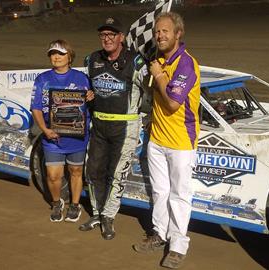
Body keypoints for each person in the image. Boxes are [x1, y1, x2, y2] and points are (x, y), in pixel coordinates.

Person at [133, 12, 200, 269]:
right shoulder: (157, 60)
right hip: (157, 139)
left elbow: (173, 103)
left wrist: (159, 74)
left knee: (180, 194)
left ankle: (178, 246)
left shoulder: (186, 64)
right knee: (160, 192)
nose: (159, 36)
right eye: (157, 32)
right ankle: (159, 234)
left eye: (165, 31)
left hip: (181, 141)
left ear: (178, 34)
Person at [78, 17, 148, 240]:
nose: (107, 39)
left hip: (125, 127)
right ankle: (97, 213)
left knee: (116, 174)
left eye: (111, 34)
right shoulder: (92, 59)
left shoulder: (136, 62)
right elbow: (88, 89)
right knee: (93, 171)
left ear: (121, 37)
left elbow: (150, 90)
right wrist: (87, 95)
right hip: (99, 124)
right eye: (103, 35)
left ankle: (109, 217)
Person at [31, 39, 94, 223]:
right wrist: (45, 129)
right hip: (52, 138)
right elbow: (36, 108)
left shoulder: (81, 78)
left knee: (75, 171)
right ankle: (57, 202)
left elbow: (89, 102)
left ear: (70, 57)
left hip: (76, 138)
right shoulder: (42, 79)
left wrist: (91, 96)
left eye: (60, 53)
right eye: (52, 53)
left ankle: (75, 205)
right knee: (53, 175)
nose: (56, 57)